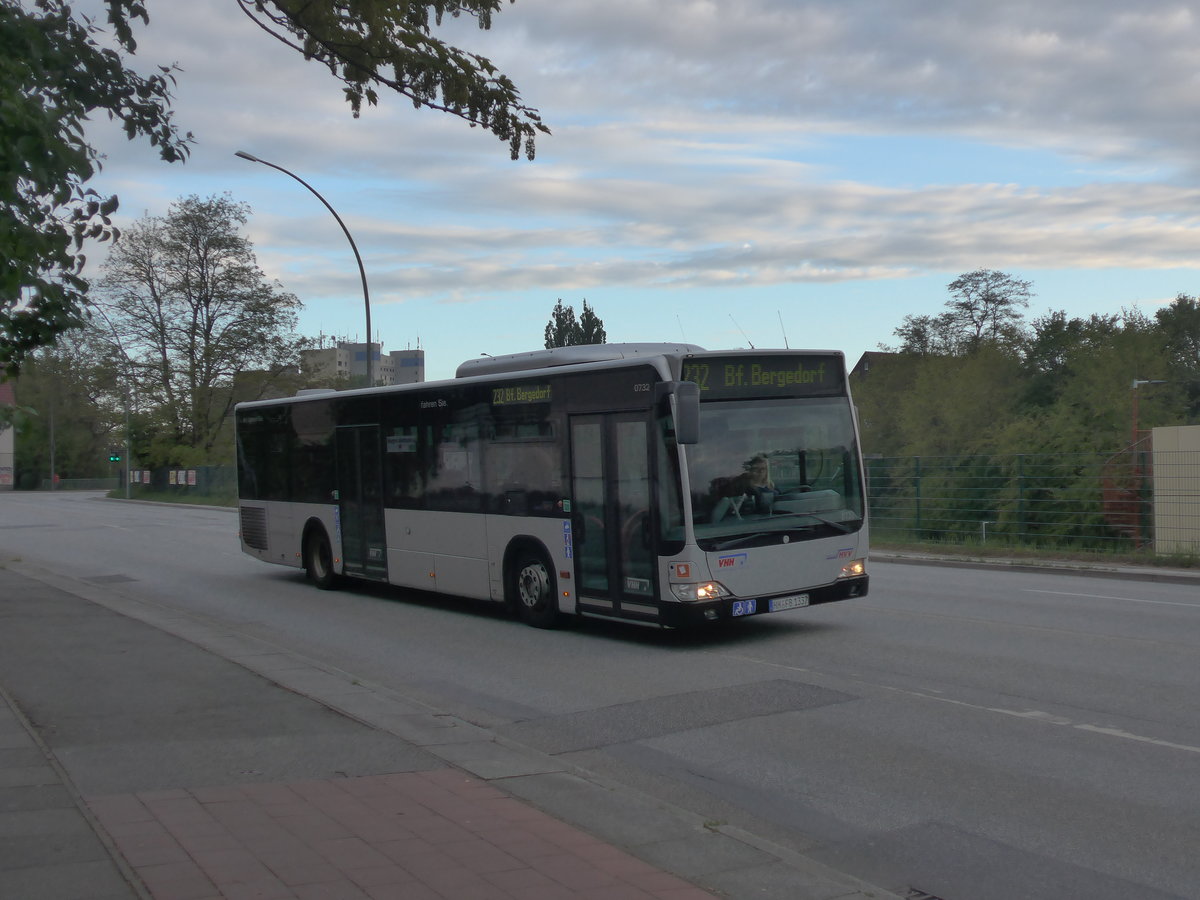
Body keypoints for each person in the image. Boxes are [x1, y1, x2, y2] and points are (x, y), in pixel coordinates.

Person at [710, 455, 775, 521]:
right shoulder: (741, 485)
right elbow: (728, 503)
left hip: (768, 521)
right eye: (756, 468)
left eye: (763, 469)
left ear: (767, 470)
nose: (760, 471)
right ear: (750, 470)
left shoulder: (771, 486)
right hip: (743, 524)